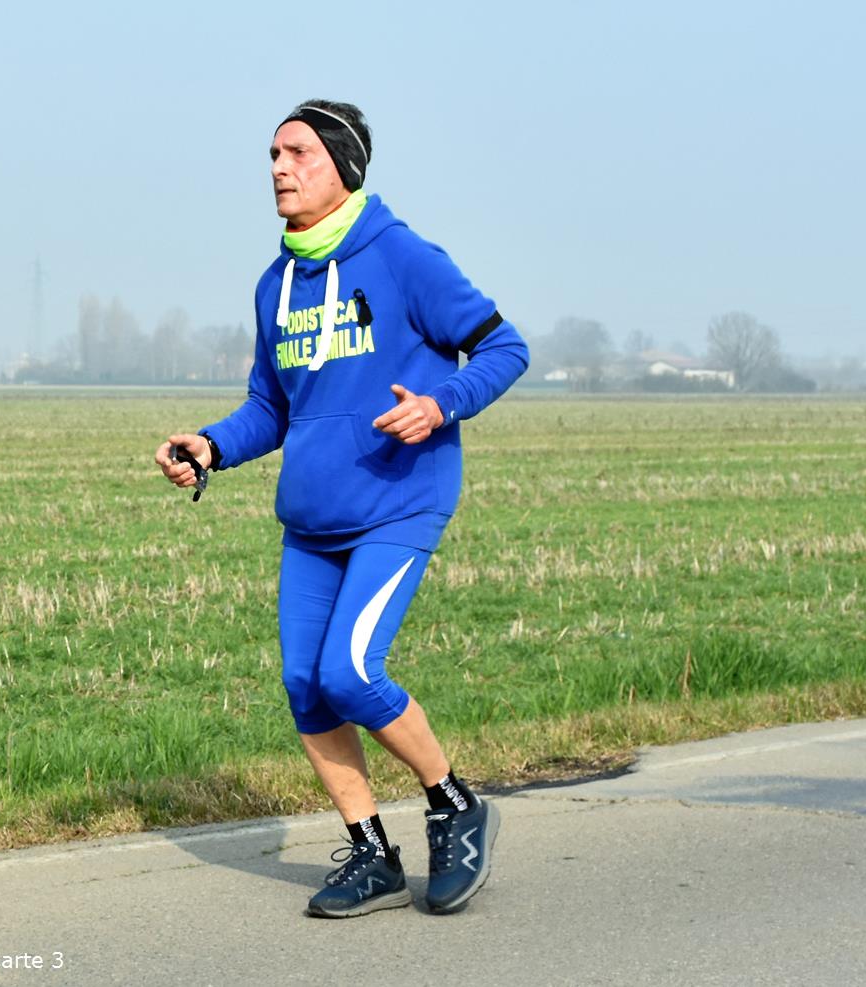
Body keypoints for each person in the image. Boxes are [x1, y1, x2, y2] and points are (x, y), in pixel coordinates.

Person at [155, 99, 529, 917]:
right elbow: (272, 408)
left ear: (344, 166)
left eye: (298, 153)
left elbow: (505, 347)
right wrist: (212, 446)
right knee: (306, 684)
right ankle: (372, 854)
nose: (278, 169)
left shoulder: (401, 257)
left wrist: (440, 404)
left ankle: (455, 805)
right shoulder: (276, 284)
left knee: (351, 673)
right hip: (313, 519)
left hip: (399, 502)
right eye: (272, 155)